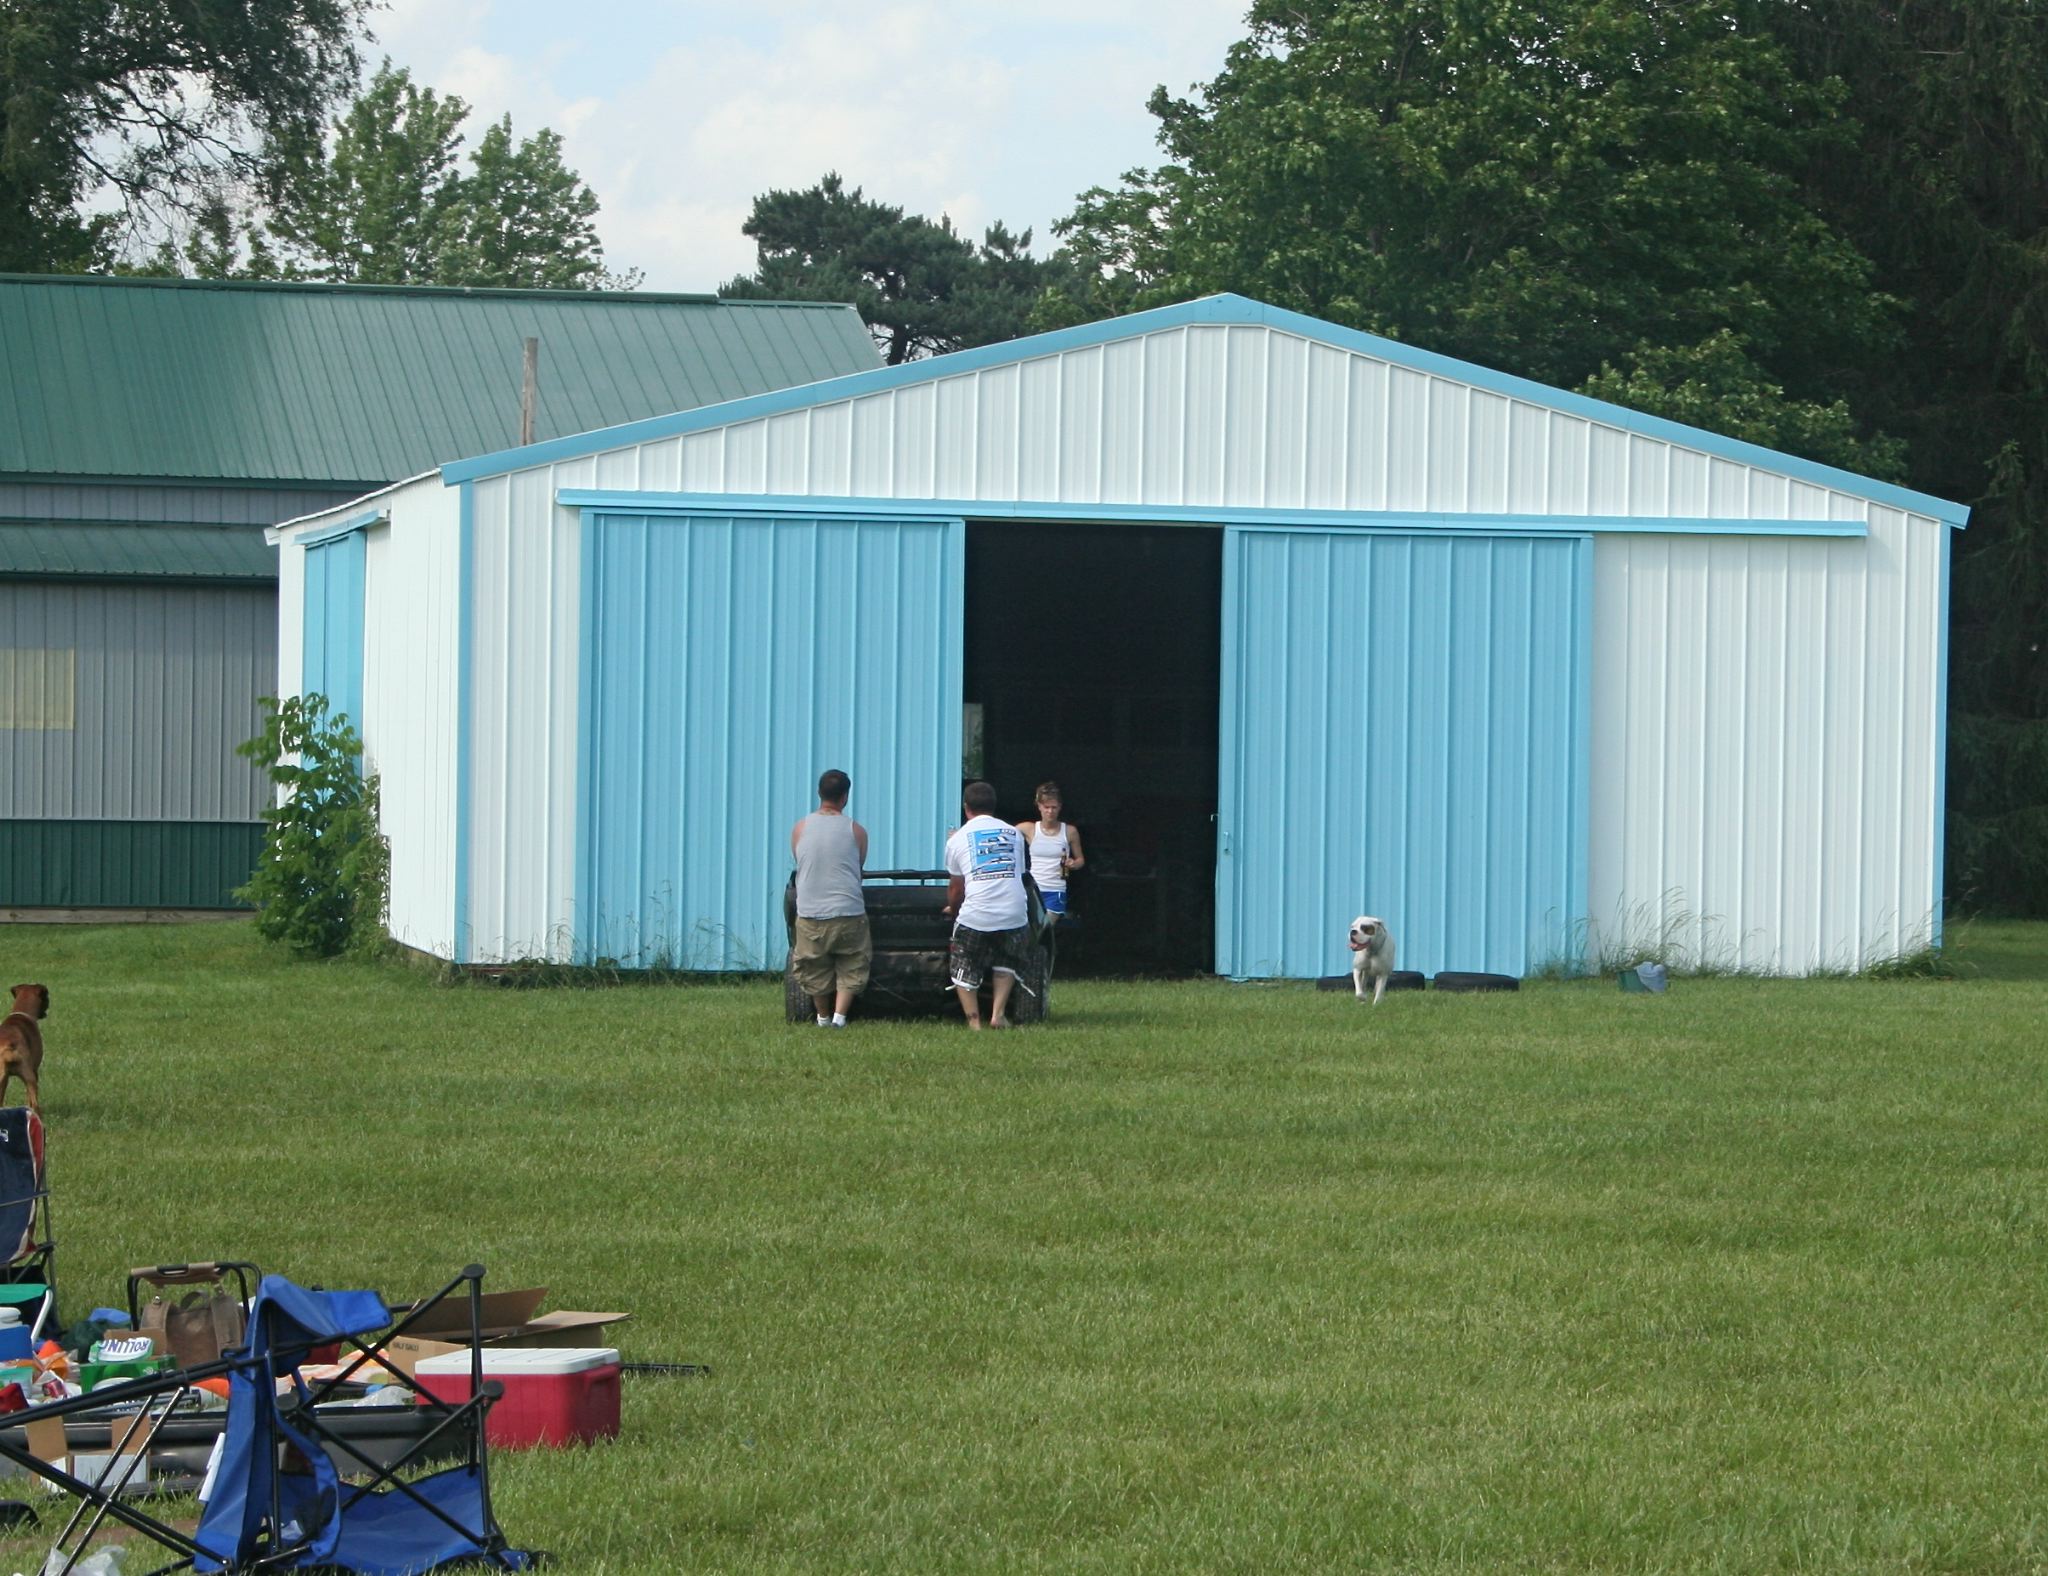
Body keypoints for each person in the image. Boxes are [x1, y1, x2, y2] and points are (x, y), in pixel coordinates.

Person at [942, 780, 1032, 1029]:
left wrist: (954, 911)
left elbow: (956, 888)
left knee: (964, 959)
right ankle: (998, 1014)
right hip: (1014, 914)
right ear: (994, 806)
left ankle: (974, 1022)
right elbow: (1019, 875)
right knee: (1007, 959)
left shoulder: (957, 839)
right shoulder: (1015, 834)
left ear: (966, 807)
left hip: (976, 915)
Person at [790, 768, 869, 1027]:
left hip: (810, 912)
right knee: (852, 963)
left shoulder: (800, 828)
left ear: (819, 793)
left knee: (814, 967)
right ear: (845, 796)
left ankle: (822, 1017)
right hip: (849, 911)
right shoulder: (857, 831)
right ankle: (840, 1017)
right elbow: (858, 868)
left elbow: (800, 860)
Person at [1016, 780, 1084, 923]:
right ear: (1039, 806)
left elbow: (1081, 860)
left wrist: (1073, 863)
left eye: (1054, 807)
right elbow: (1003, 832)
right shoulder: (1029, 828)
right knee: (1028, 928)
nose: (1050, 811)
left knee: (1044, 928)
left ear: (1060, 807)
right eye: (1046, 807)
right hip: (1034, 890)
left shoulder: (1070, 831)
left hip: (1055, 890)